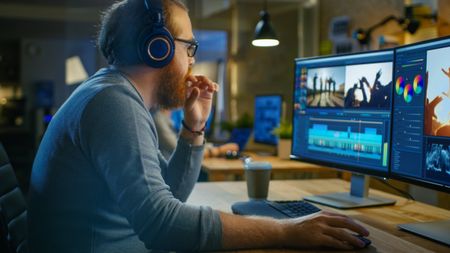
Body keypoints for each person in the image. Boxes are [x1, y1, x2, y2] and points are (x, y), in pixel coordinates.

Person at [28, 0, 369, 252]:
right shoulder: (113, 104)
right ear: (157, 48)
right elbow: (164, 226)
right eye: (189, 46)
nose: (192, 58)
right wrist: (285, 231)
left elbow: (168, 197)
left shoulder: (113, 95)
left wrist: (194, 128)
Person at [151, 108, 239, 160]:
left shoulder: (166, 118)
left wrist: (213, 147)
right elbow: (182, 152)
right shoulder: (158, 119)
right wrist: (220, 150)